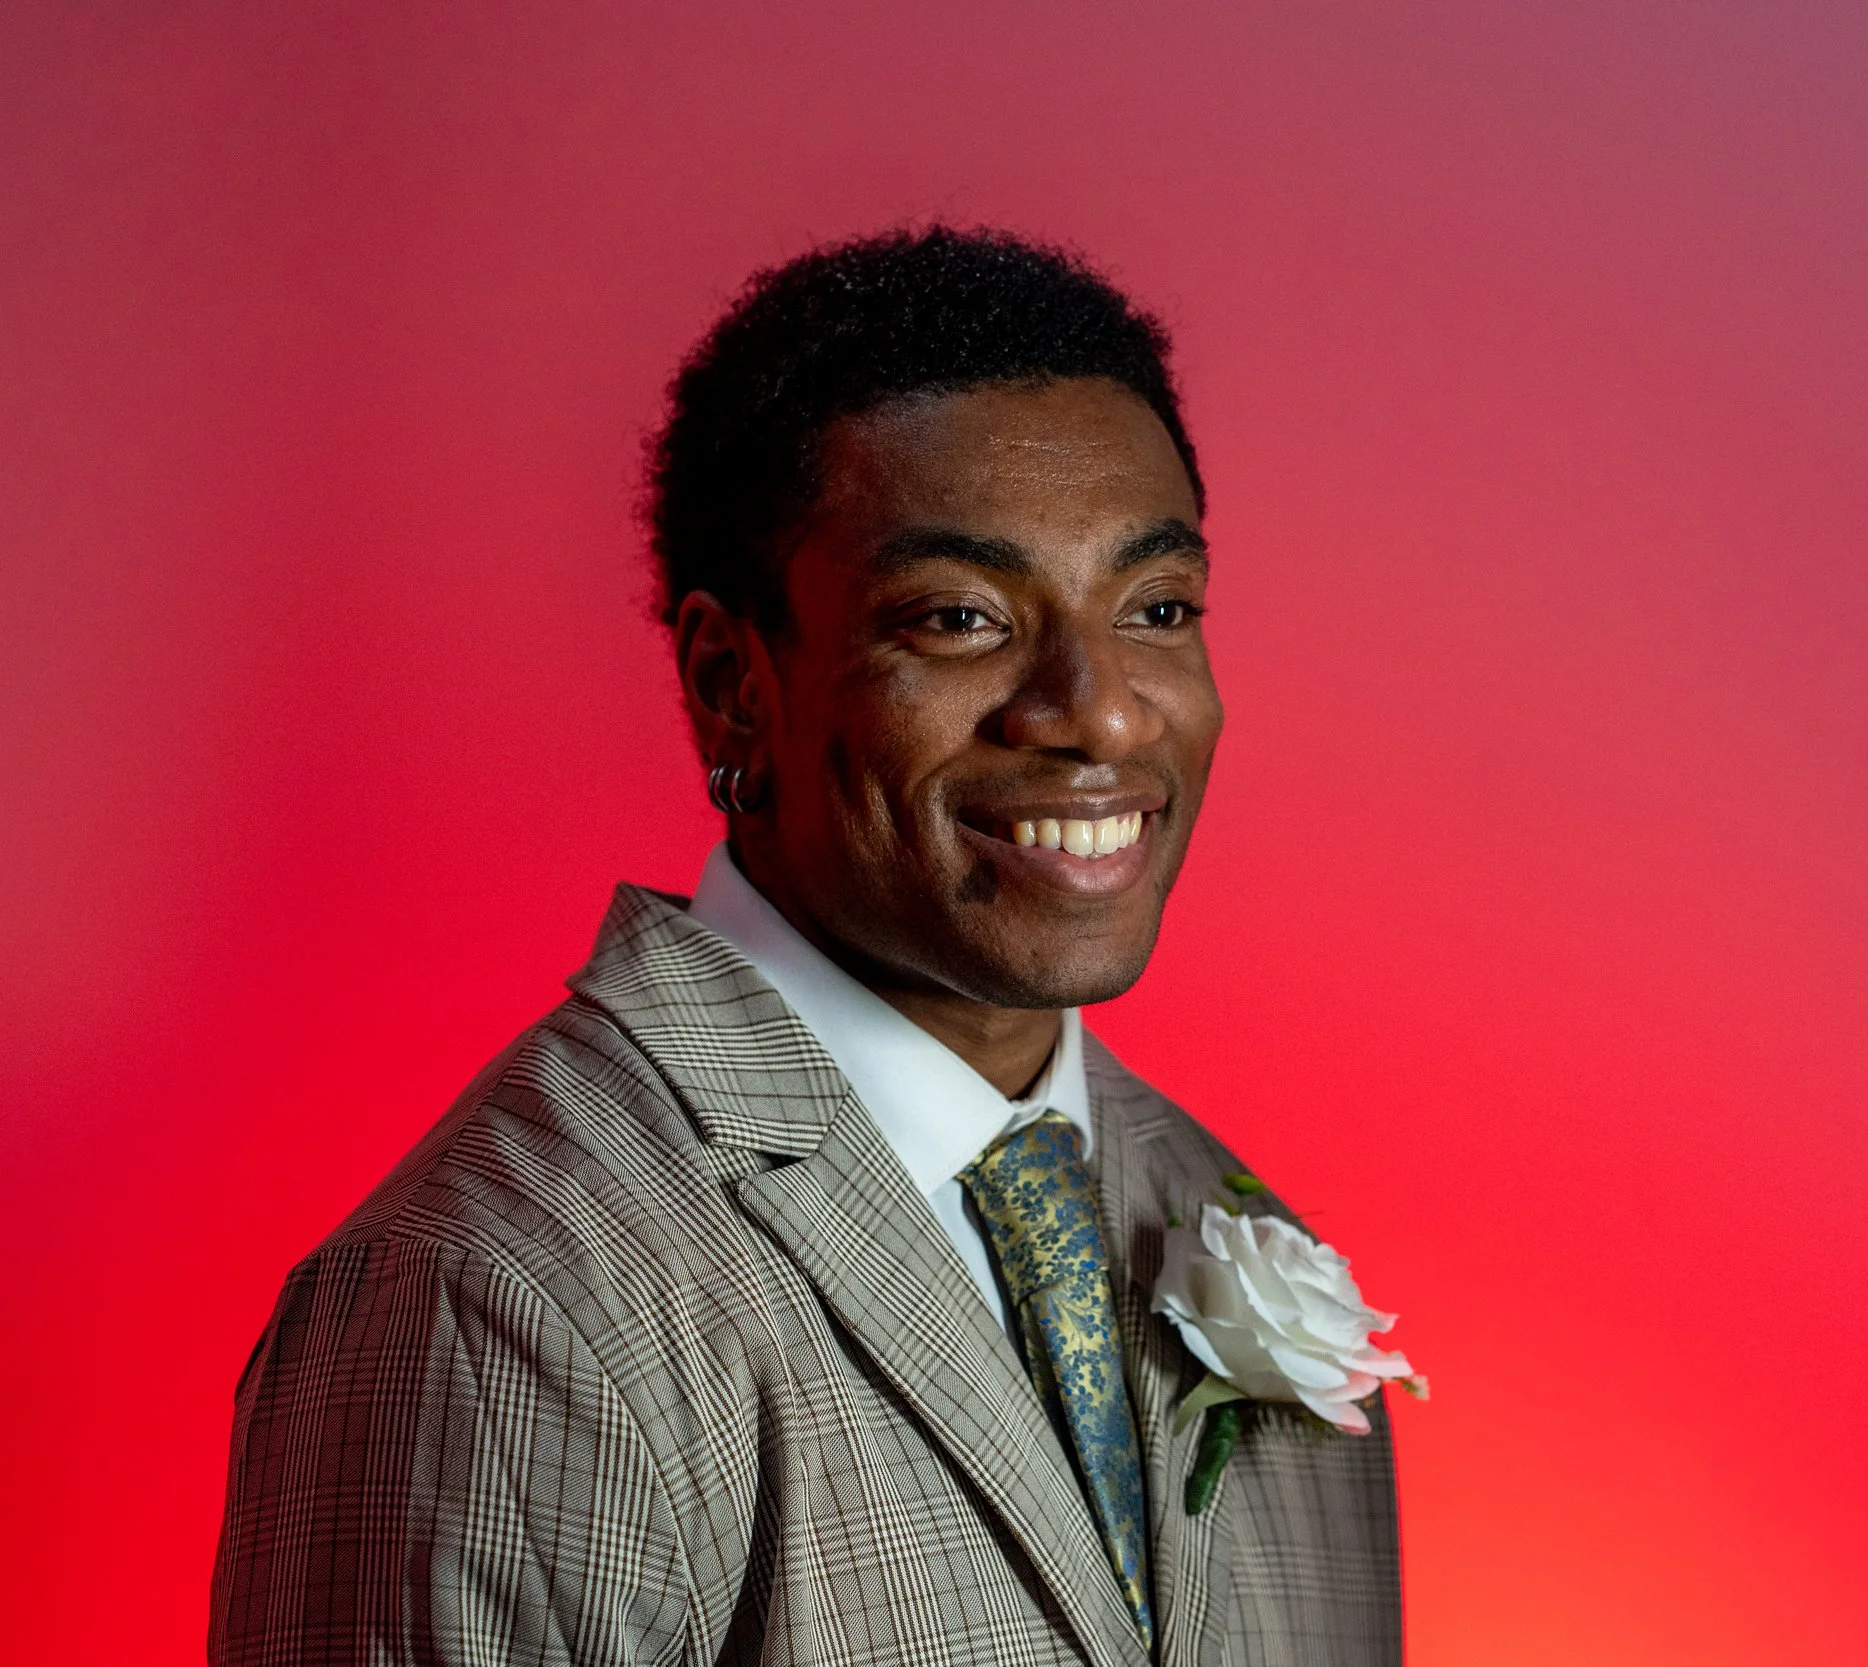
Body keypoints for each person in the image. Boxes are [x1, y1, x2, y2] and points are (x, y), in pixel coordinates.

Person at [209, 227, 1402, 1667]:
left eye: (1157, 608)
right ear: (731, 685)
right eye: (959, 617)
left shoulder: (1255, 1250)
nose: (1097, 710)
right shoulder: (501, 1296)